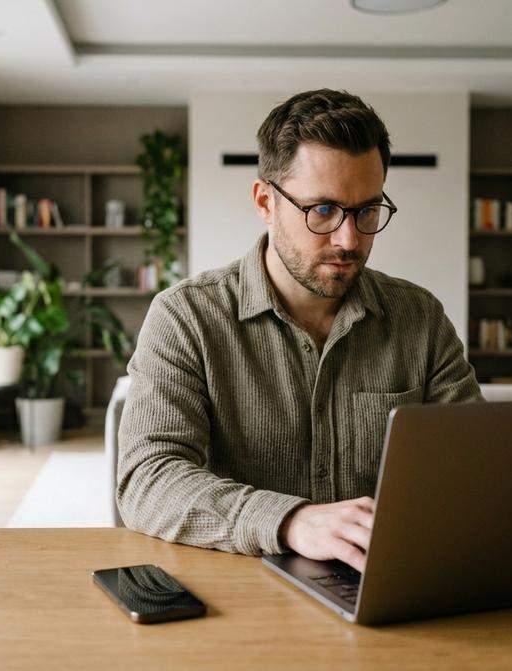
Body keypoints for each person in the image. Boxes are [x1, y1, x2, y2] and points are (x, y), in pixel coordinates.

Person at [117, 88, 482, 572]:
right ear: (265, 202)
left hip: (389, 585)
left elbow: (475, 466)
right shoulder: (186, 318)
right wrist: (291, 521)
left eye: (367, 211)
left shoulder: (420, 319)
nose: (349, 239)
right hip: (242, 592)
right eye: (323, 210)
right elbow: (148, 480)